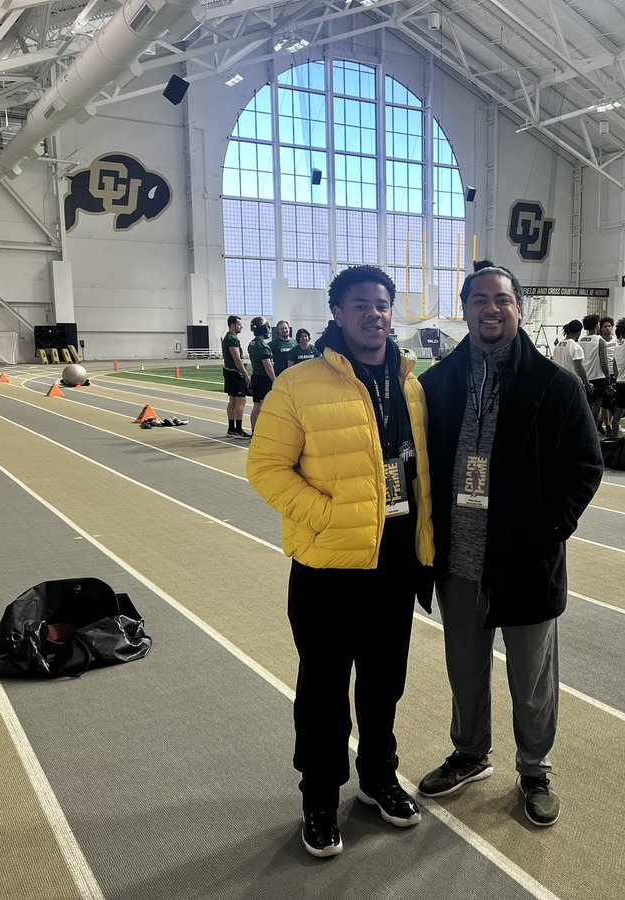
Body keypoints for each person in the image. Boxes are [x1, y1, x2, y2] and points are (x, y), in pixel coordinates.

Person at [247, 265, 435, 858]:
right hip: (328, 566)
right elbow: (266, 469)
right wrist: (329, 516)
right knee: (324, 689)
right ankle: (321, 798)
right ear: (336, 313)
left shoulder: (410, 383)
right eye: (360, 305)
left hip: (395, 562)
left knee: (384, 684)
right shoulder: (298, 384)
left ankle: (379, 778)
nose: (373, 314)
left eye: (382, 304)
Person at [417, 260, 602, 828]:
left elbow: (586, 468)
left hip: (525, 559)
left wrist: (549, 531)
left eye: (501, 299)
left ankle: (535, 768)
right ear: (465, 310)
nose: (490, 309)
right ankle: (470, 753)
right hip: (458, 561)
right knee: (464, 667)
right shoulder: (435, 384)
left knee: (533, 675)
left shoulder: (556, 386)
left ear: (518, 309)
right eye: (478, 300)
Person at [577, 314, 612, 432]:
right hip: (598, 378)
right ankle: (593, 433)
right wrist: (608, 377)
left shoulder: (580, 340)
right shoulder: (600, 341)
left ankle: (584, 431)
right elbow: (604, 363)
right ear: (597, 325)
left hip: (584, 378)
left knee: (585, 408)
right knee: (595, 409)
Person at [221, 315, 251, 438]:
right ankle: (238, 429)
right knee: (241, 400)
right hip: (234, 373)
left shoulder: (228, 337)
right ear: (232, 325)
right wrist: (246, 375)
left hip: (229, 371)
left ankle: (231, 429)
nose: (241, 326)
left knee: (232, 401)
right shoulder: (232, 339)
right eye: (239, 324)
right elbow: (237, 359)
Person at [247, 316, 276, 432]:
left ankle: (254, 431)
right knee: (265, 407)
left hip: (255, 377)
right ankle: (264, 432)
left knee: (256, 406)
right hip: (264, 378)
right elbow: (268, 366)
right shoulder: (263, 346)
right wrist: (274, 379)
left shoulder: (251, 344)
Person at [554, 320, 591, 393]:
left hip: (559, 383)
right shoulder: (575, 347)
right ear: (579, 332)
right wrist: (587, 384)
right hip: (572, 384)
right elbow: (579, 368)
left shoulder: (557, 346)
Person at [599, 317, 618, 433]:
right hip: (604, 373)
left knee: (613, 401)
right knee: (605, 403)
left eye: (609, 326)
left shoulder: (615, 341)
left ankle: (602, 423)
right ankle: (608, 426)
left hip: (614, 372)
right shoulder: (600, 342)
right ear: (601, 328)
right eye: (605, 326)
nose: (608, 328)